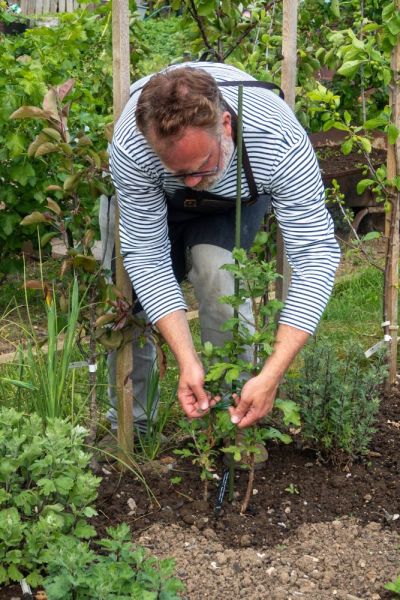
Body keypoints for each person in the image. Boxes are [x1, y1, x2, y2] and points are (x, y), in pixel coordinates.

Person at [107, 62, 340, 433]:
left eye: (201, 165)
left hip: (233, 200)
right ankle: (134, 425)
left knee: (217, 273)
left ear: (226, 126)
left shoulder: (276, 138)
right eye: (180, 171)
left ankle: (237, 416)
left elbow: (315, 254)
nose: (195, 181)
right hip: (158, 199)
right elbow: (147, 256)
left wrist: (273, 372)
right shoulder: (133, 148)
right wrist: (187, 359)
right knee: (126, 299)